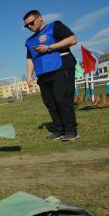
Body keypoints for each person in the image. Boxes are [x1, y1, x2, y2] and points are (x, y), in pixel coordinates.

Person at [24, 10, 78, 141]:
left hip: (60, 68)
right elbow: (30, 58)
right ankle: (59, 130)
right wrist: (29, 76)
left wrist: (49, 47)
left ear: (40, 18)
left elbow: (72, 39)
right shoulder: (30, 41)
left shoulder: (55, 26)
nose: (30, 26)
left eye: (31, 23)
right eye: (27, 25)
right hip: (43, 74)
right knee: (50, 102)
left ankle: (71, 131)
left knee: (62, 99)